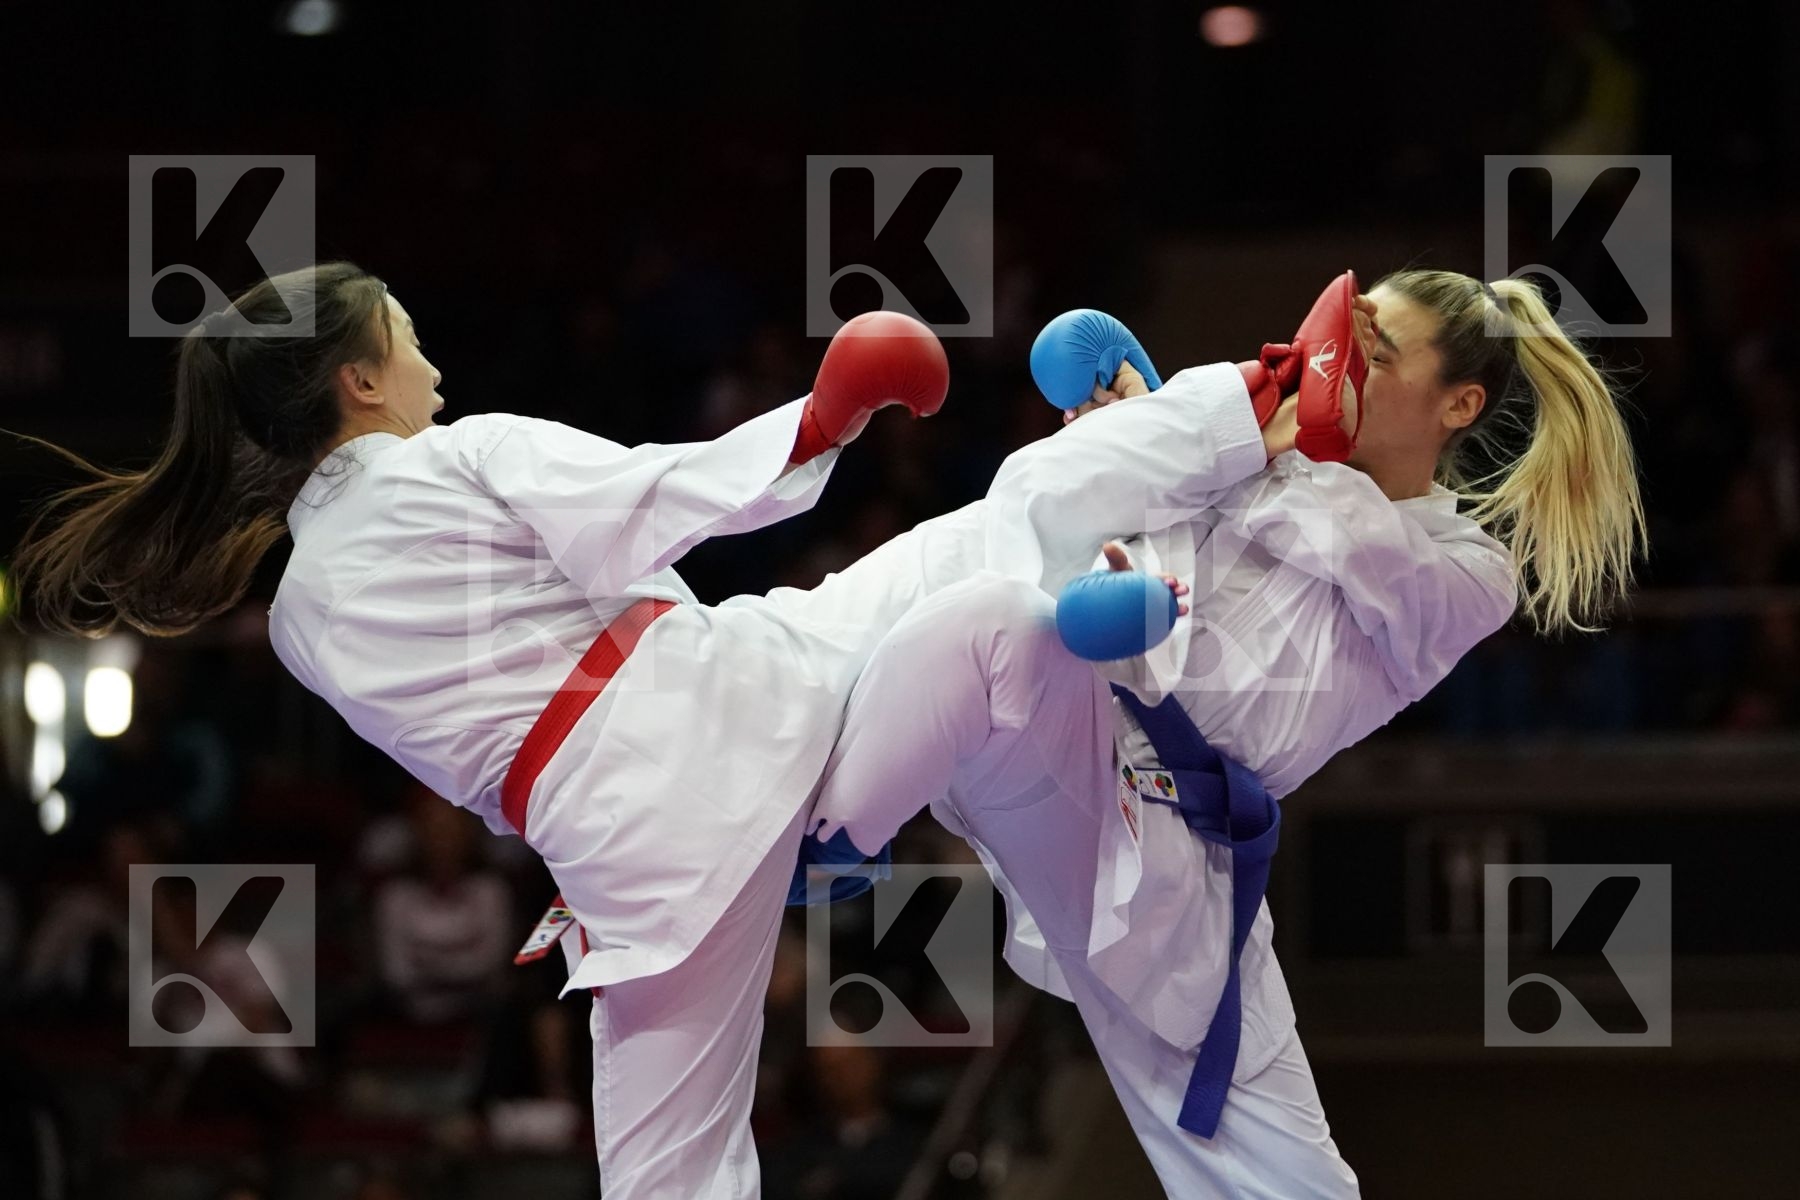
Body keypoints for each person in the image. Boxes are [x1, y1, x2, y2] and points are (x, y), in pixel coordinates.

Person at [6, 261, 966, 1200]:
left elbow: (483, 754)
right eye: (413, 344)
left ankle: (840, 815)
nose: (435, 371)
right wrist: (815, 423)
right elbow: (650, 500)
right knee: (971, 585)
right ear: (363, 379)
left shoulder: (299, 620)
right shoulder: (461, 453)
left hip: (605, 847)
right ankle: (1103, 502)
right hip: (718, 711)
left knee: (668, 1173)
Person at [808, 269, 1647, 1197]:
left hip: (1172, 853)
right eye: (1347, 344)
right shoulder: (1249, 439)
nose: (1342, 366)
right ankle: (826, 835)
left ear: (1460, 402)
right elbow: (1084, 513)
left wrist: (1212, 427)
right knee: (980, 609)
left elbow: (1343, 542)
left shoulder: (1465, 571)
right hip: (1063, 729)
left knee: (1297, 1184)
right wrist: (1158, 437)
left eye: (1378, 354)